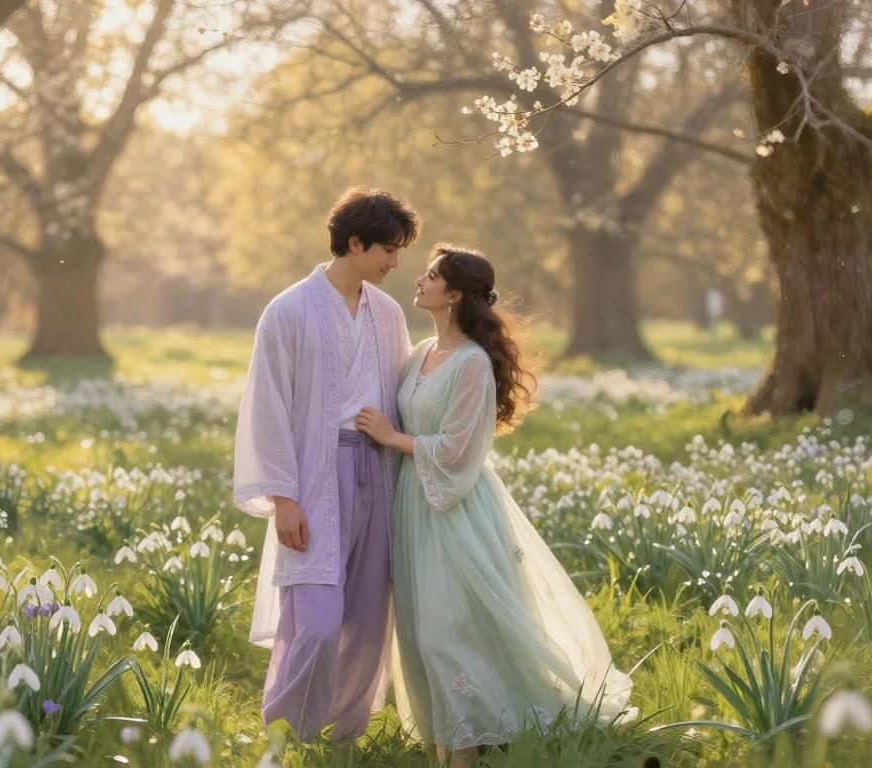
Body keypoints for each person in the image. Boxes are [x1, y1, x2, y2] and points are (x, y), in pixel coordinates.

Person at [356, 244, 634, 766]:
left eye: (432, 275)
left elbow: (461, 448)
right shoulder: (418, 354)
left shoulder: (472, 365)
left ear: (455, 293)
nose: (419, 279)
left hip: (454, 507)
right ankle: (449, 745)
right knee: (419, 627)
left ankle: (468, 751)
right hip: (416, 504)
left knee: (447, 627)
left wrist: (392, 437)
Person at [233, 186, 420, 741]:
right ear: (354, 242)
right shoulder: (287, 310)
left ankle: (343, 735)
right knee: (314, 623)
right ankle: (285, 731)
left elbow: (404, 396)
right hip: (314, 479)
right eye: (387, 249)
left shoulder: (387, 314)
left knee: (367, 618)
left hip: (379, 475)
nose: (394, 263)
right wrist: (283, 498)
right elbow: (267, 405)